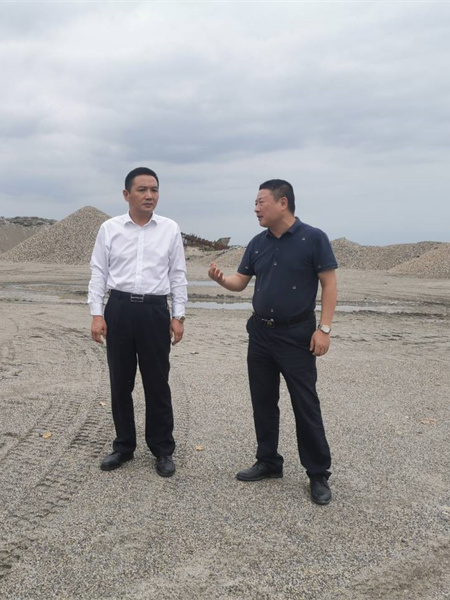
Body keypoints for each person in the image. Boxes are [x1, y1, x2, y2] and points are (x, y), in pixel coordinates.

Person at [208, 179, 337, 505]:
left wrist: (323, 329)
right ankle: (268, 461)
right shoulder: (257, 243)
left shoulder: (314, 238)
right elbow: (240, 282)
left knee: (305, 404)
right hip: (261, 334)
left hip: (297, 335)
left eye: (260, 202)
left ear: (283, 203)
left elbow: (329, 284)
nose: (255, 208)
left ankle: (318, 473)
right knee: (263, 400)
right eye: (255, 203)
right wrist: (222, 280)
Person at [88, 167, 188, 478]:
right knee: (121, 382)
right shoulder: (110, 229)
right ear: (126, 194)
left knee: (157, 383)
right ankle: (124, 446)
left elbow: (177, 275)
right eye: (142, 189)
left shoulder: (169, 229)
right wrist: (96, 314)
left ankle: (162, 449)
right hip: (119, 308)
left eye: (154, 190)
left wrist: (178, 315)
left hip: (155, 310)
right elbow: (98, 273)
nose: (149, 195)